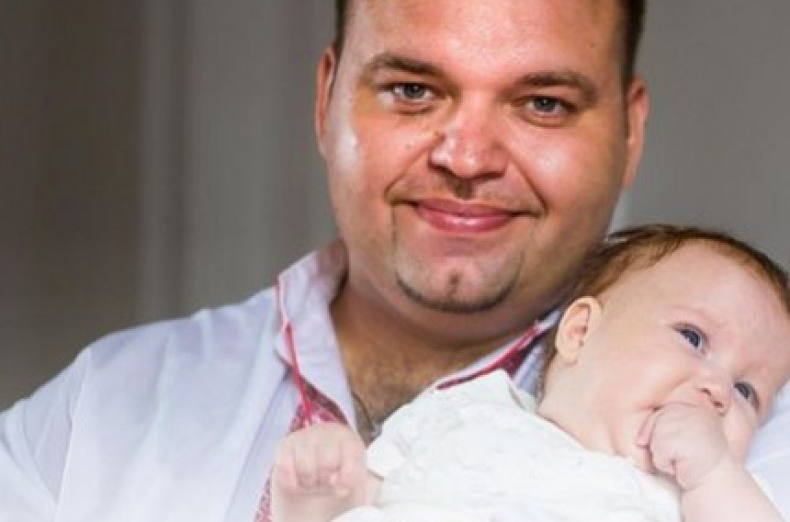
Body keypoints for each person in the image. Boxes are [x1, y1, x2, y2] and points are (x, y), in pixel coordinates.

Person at [0, 0, 787, 522]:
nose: (467, 158)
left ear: (630, 130)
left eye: (543, 103)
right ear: (327, 99)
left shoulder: (746, 433)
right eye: (412, 89)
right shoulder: (100, 412)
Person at [271, 225, 790, 522]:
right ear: (580, 331)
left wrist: (712, 473)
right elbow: (366, 498)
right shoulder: (466, 412)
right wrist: (319, 493)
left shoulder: (703, 499)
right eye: (693, 338)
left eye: (748, 391)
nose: (718, 391)